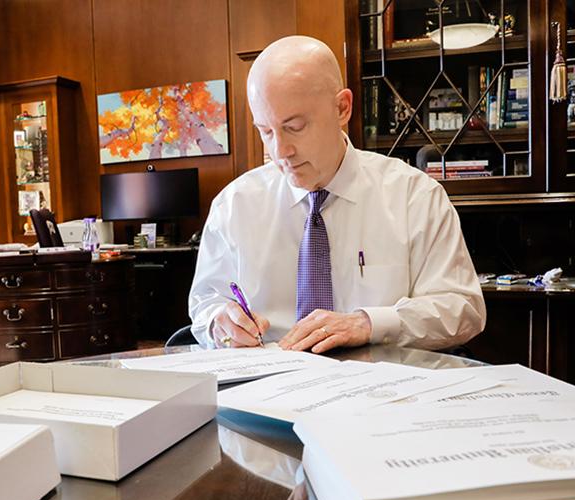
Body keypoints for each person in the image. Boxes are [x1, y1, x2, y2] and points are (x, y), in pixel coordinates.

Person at [188, 36, 486, 353]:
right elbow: (206, 303)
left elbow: (462, 308)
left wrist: (368, 323)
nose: (280, 151)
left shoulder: (414, 196)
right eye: (266, 131)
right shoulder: (235, 205)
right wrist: (220, 322)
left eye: (295, 126)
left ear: (342, 108)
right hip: (269, 387)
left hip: (383, 387)